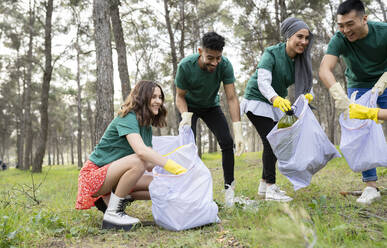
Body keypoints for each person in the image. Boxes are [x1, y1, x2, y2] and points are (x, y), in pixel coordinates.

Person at [76, 80, 187, 230]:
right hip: (93, 176)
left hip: (112, 177)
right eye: (153, 97)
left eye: (160, 97)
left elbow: (148, 165)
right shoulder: (128, 116)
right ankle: (113, 214)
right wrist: (168, 163)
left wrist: (172, 172)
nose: (158, 101)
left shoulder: (145, 126)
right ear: (142, 97)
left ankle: (112, 202)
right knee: (138, 160)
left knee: (161, 183)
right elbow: (142, 153)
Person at [319, 0, 387, 204]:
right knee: (361, 130)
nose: (345, 30)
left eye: (350, 24)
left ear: (364, 19)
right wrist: (339, 96)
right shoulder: (340, 39)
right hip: (359, 85)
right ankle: (370, 187)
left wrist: (384, 79)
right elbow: (324, 69)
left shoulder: (383, 32)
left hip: (385, 78)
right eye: (341, 25)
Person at [240, 17, 315, 202]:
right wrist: (275, 99)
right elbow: (263, 81)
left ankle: (264, 184)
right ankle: (271, 188)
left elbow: (307, 83)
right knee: (271, 141)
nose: (304, 42)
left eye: (307, 38)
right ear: (289, 36)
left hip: (277, 102)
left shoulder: (301, 60)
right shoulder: (271, 53)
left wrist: (307, 96)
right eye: (300, 36)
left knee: (277, 140)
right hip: (257, 100)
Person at [175, 31, 245, 207]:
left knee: (227, 142)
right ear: (200, 51)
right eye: (210, 58)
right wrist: (185, 116)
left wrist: (238, 129)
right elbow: (179, 96)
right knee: (188, 148)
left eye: (218, 58)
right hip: (189, 107)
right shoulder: (185, 66)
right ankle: (188, 194)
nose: (214, 63)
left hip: (211, 107)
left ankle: (230, 191)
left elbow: (231, 97)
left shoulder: (225, 65)